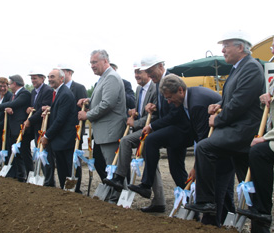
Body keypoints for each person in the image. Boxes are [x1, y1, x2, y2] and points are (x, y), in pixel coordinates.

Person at [185, 30, 265, 217]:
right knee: (245, 174)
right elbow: (232, 97)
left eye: (226, 46)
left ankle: (206, 202)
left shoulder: (251, 68)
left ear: (240, 47)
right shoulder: (239, 68)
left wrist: (218, 119)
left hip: (244, 130)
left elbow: (239, 103)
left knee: (204, 148)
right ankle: (255, 212)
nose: (222, 50)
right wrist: (219, 104)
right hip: (236, 129)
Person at [160, 74, 234, 226]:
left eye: (169, 97)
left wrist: (196, 167)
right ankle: (227, 221)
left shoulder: (197, 104)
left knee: (215, 187)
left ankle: (210, 223)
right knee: (224, 189)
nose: (168, 101)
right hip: (220, 143)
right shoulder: (189, 99)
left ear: (180, 90)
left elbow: (203, 139)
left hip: (223, 145)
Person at [128, 55, 191, 212]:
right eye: (147, 72)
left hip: (180, 130)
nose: (149, 76)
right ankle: (190, 204)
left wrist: (153, 126)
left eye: (150, 71)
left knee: (151, 140)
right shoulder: (158, 83)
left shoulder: (171, 80)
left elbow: (175, 113)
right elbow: (165, 105)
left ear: (160, 66)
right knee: (176, 170)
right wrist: (154, 106)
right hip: (171, 131)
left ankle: (146, 184)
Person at [237, 29, 274, 233]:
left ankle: (262, 211)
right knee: (253, 151)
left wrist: (265, 138)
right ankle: (260, 213)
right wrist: (268, 97)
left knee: (259, 152)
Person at [103, 61, 159, 209]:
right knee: (152, 165)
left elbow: (156, 115)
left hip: (152, 130)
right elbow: (142, 111)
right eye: (135, 73)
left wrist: (137, 123)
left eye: (139, 72)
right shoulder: (139, 89)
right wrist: (134, 113)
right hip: (142, 127)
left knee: (126, 141)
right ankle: (159, 202)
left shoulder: (155, 88)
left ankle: (119, 178)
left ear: (147, 72)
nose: (136, 76)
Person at [78, 50, 126, 168]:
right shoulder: (104, 77)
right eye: (91, 63)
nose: (92, 66)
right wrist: (89, 101)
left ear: (105, 61)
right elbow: (104, 98)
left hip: (110, 132)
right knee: (110, 169)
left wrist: (87, 115)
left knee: (113, 168)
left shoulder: (111, 77)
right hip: (105, 133)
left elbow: (107, 104)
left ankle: (119, 187)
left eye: (95, 62)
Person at [41, 69, 77, 189]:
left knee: (67, 169)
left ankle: (71, 192)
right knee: (61, 169)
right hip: (60, 140)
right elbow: (59, 112)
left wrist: (47, 136)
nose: (50, 79)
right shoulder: (57, 93)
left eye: (52, 77)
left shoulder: (65, 94)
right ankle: (64, 190)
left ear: (61, 79)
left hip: (65, 139)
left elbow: (60, 120)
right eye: (49, 77)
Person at [0, 75, 32, 182]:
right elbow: (12, 106)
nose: (9, 86)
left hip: (21, 129)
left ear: (15, 83)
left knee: (24, 154)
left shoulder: (24, 93)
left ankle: (29, 175)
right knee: (17, 154)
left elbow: (14, 104)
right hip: (12, 129)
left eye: (10, 84)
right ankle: (20, 176)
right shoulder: (14, 95)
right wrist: (8, 109)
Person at [57, 63, 87, 193]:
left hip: (75, 131)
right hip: (61, 131)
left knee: (74, 160)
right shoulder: (58, 90)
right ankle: (64, 185)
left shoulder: (79, 88)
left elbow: (84, 110)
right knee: (62, 161)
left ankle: (76, 188)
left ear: (69, 72)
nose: (61, 75)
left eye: (63, 72)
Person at [23, 69, 54, 187]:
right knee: (39, 153)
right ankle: (44, 178)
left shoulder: (47, 90)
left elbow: (43, 108)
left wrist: (30, 120)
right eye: (31, 78)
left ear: (42, 78)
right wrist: (29, 110)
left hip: (44, 126)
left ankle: (49, 181)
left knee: (46, 154)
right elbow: (36, 108)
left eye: (35, 78)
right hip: (37, 127)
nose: (33, 81)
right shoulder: (33, 92)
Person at [0, 77, 12, 164]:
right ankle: (3, 165)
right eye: (0, 86)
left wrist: (0, 125)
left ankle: (8, 166)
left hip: (6, 126)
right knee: (0, 146)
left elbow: (8, 116)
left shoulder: (9, 96)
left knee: (7, 147)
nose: (2, 88)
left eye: (5, 86)